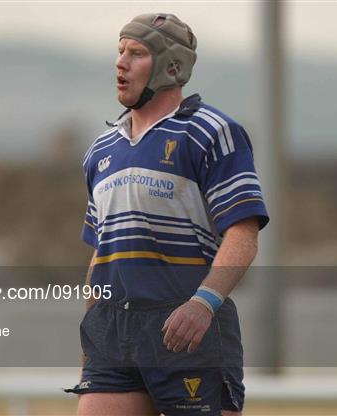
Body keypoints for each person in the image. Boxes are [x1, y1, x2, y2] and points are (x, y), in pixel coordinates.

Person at [65, 13, 269, 416]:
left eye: (136, 53)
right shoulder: (100, 150)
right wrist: (91, 333)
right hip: (113, 331)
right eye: (119, 51)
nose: (120, 63)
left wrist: (203, 304)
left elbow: (243, 234)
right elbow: (102, 252)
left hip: (188, 328)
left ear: (172, 66)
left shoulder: (211, 132)